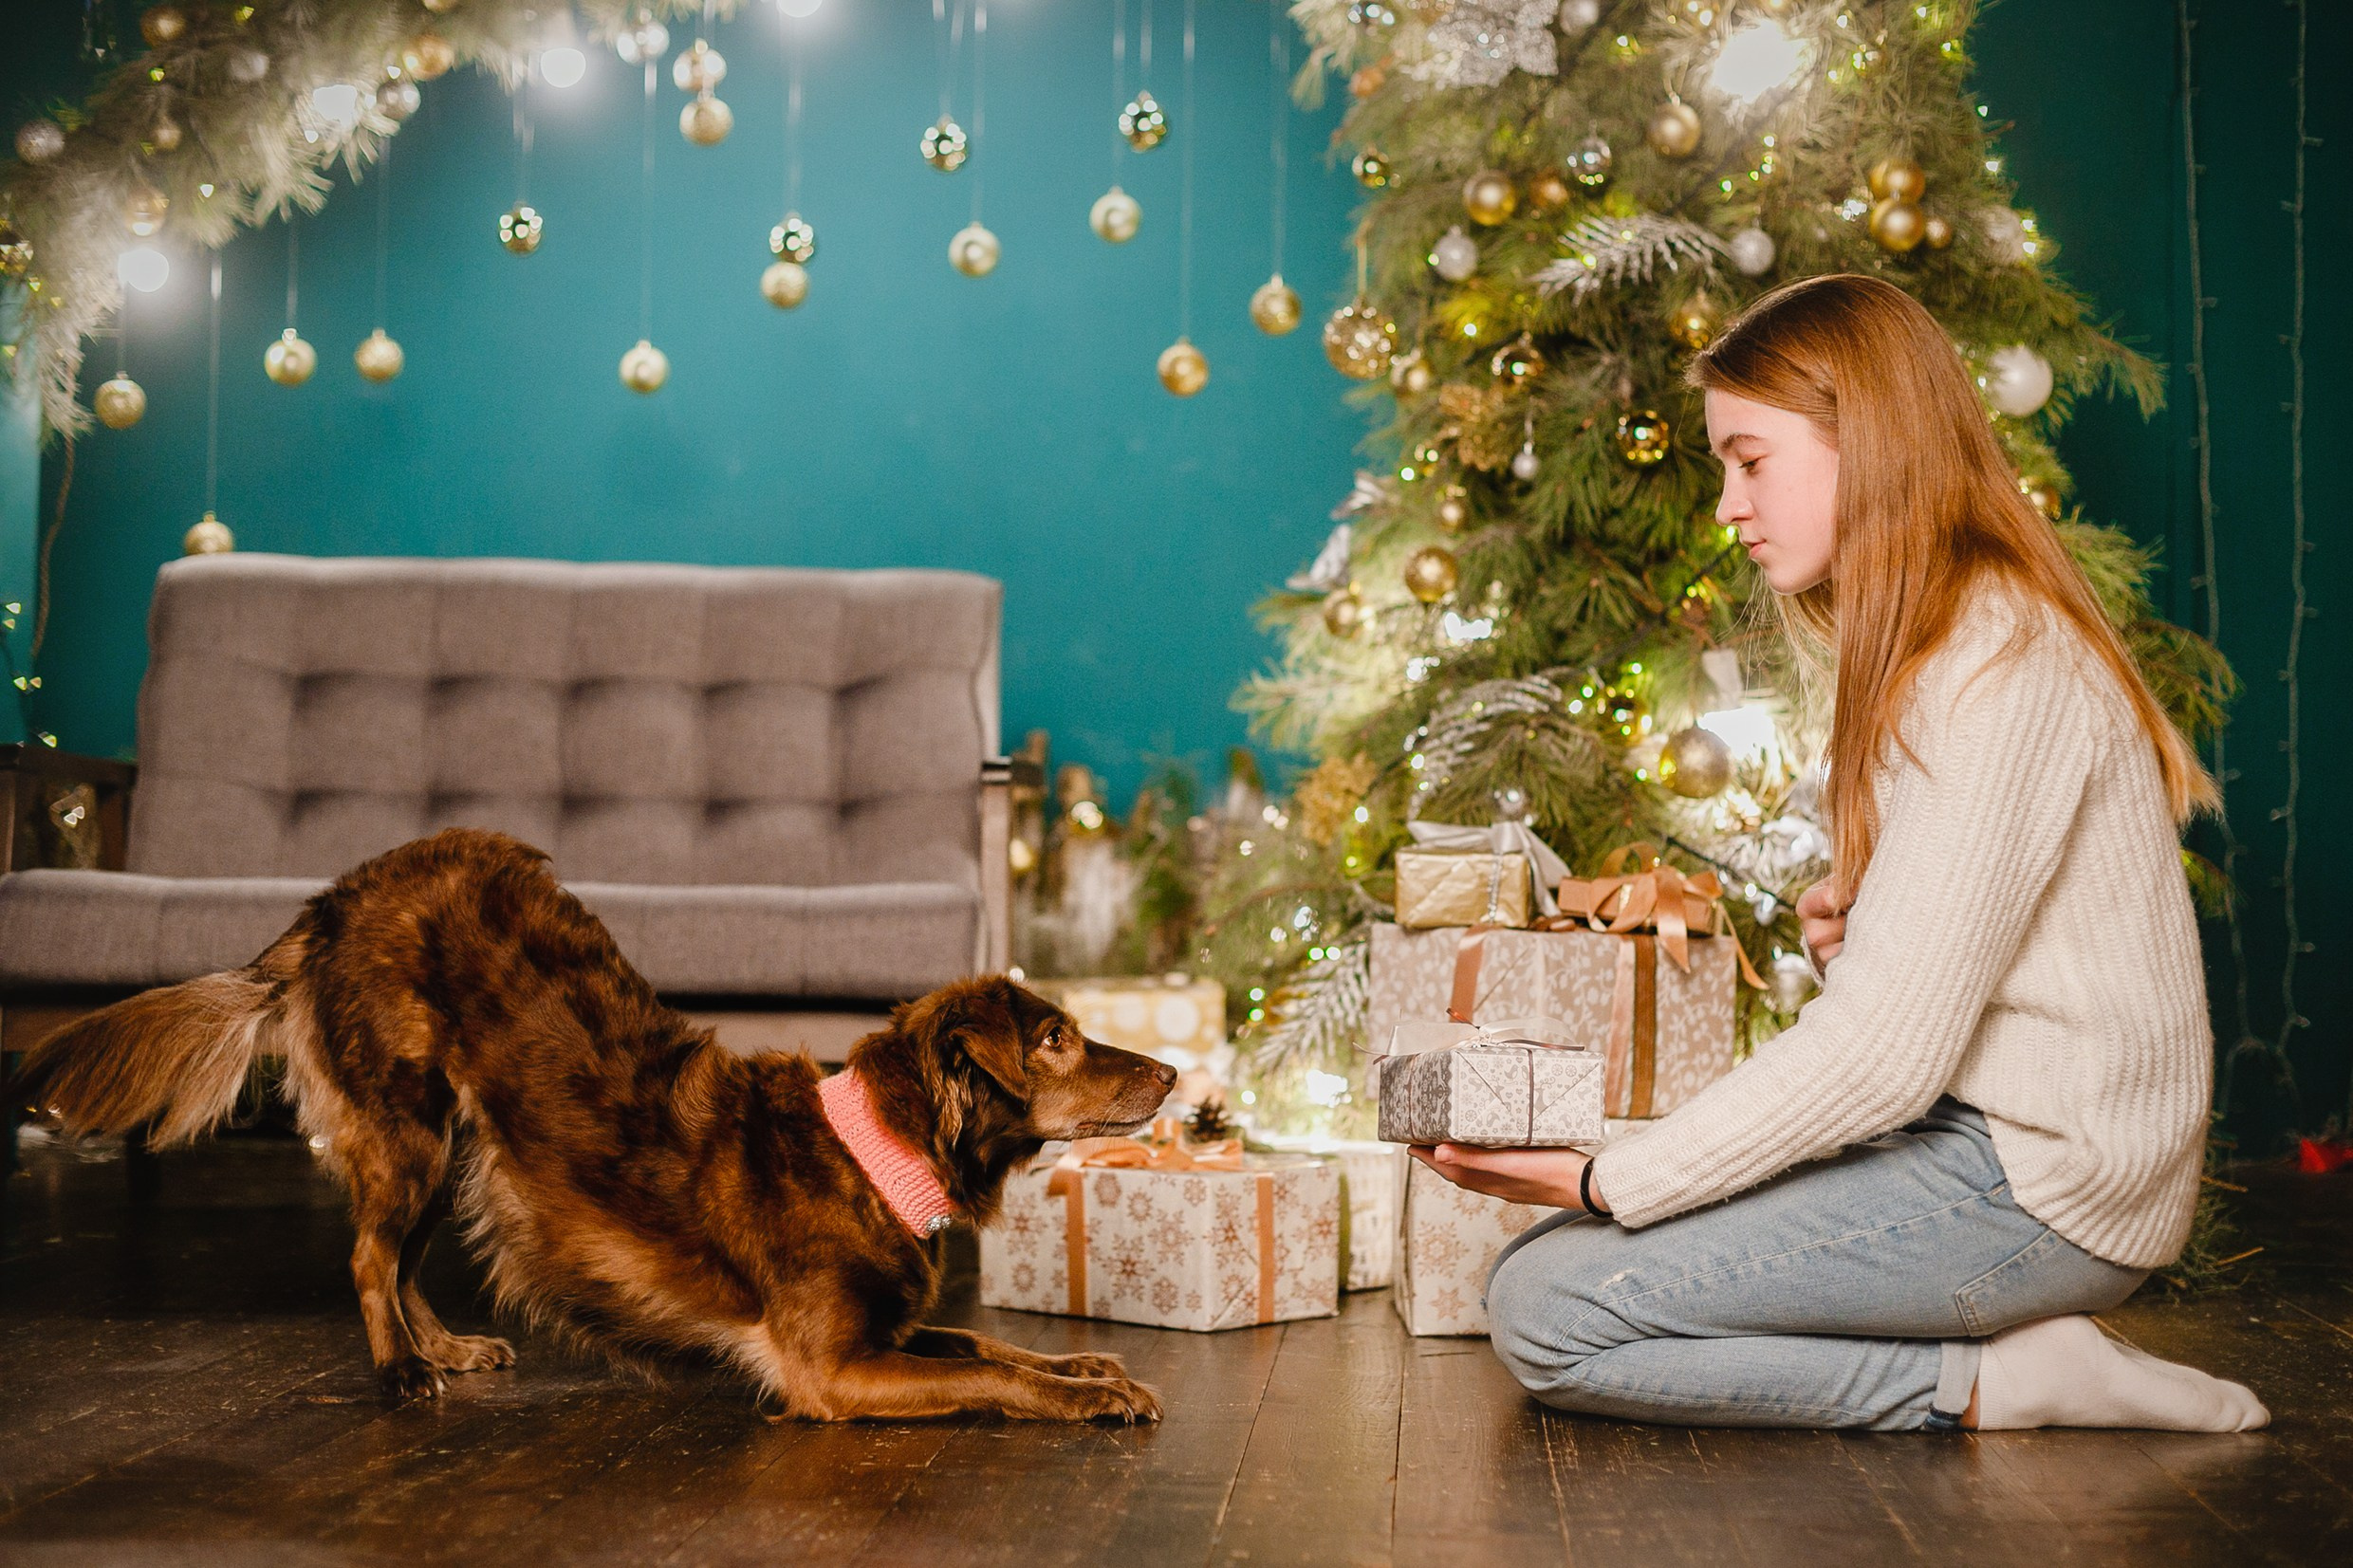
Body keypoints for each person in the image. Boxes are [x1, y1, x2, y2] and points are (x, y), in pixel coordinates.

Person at [1413, 273, 2267, 1433]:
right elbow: (1931, 1012)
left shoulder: (1996, 667)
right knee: (1550, 1268)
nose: (1726, 505)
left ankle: (1991, 1382)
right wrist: (1862, 942)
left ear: (1865, 441)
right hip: (1971, 1143)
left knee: (1552, 1311)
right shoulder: (1948, 640)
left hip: (2045, 1188)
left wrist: (1610, 1174)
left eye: (1749, 460)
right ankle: (2002, 1345)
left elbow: (1879, 1059)